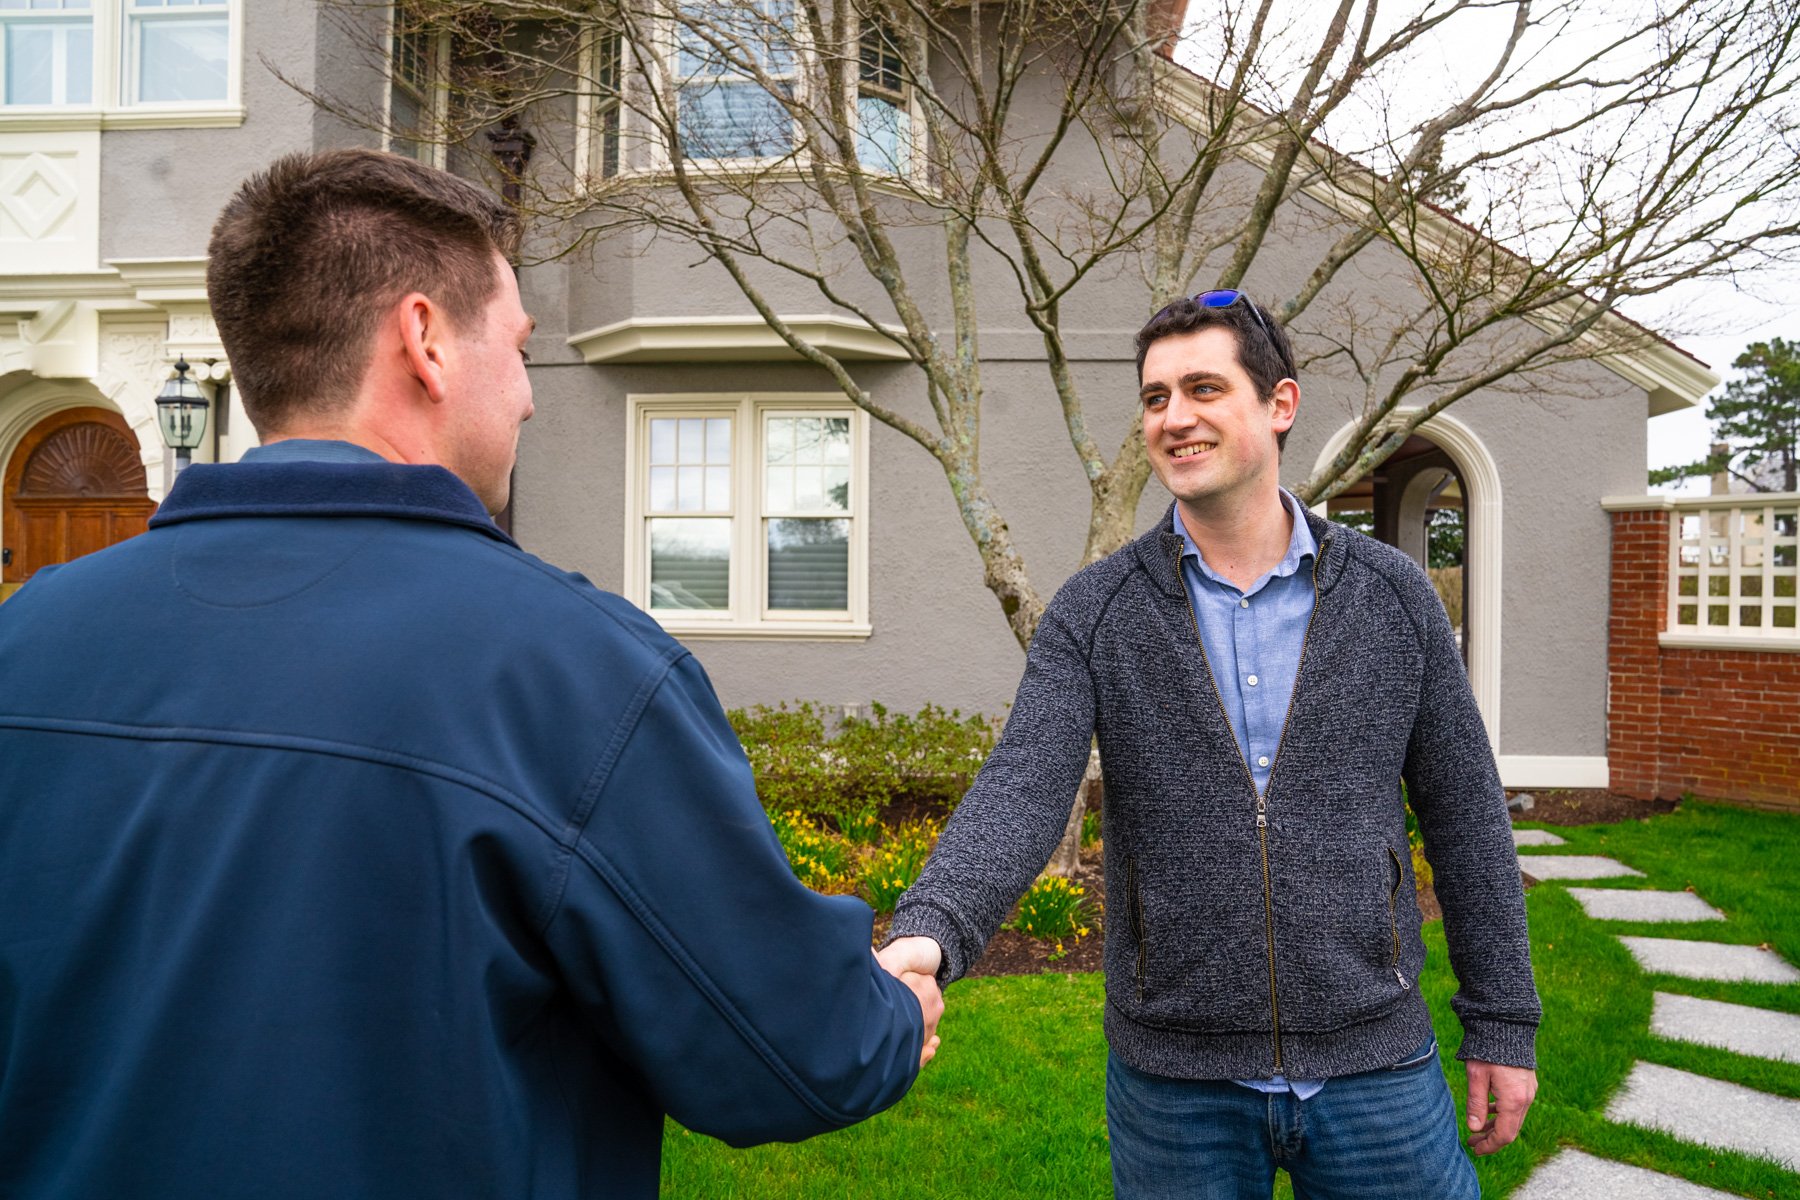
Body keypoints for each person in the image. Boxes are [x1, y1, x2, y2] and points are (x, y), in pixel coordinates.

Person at [0, 149, 939, 1199]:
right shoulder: (573, 671)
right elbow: (796, 1055)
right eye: (522, 348)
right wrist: (893, 1009)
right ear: (426, 340)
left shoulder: (26, 640)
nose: (532, 398)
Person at [881, 290, 1538, 1198]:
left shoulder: (1394, 599)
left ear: (1279, 404)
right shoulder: (1097, 609)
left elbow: (1466, 820)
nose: (1173, 419)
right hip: (1174, 1088)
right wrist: (931, 931)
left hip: (1375, 1067)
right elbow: (1023, 786)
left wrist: (1503, 1024)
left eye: (1201, 388)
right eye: (1155, 398)